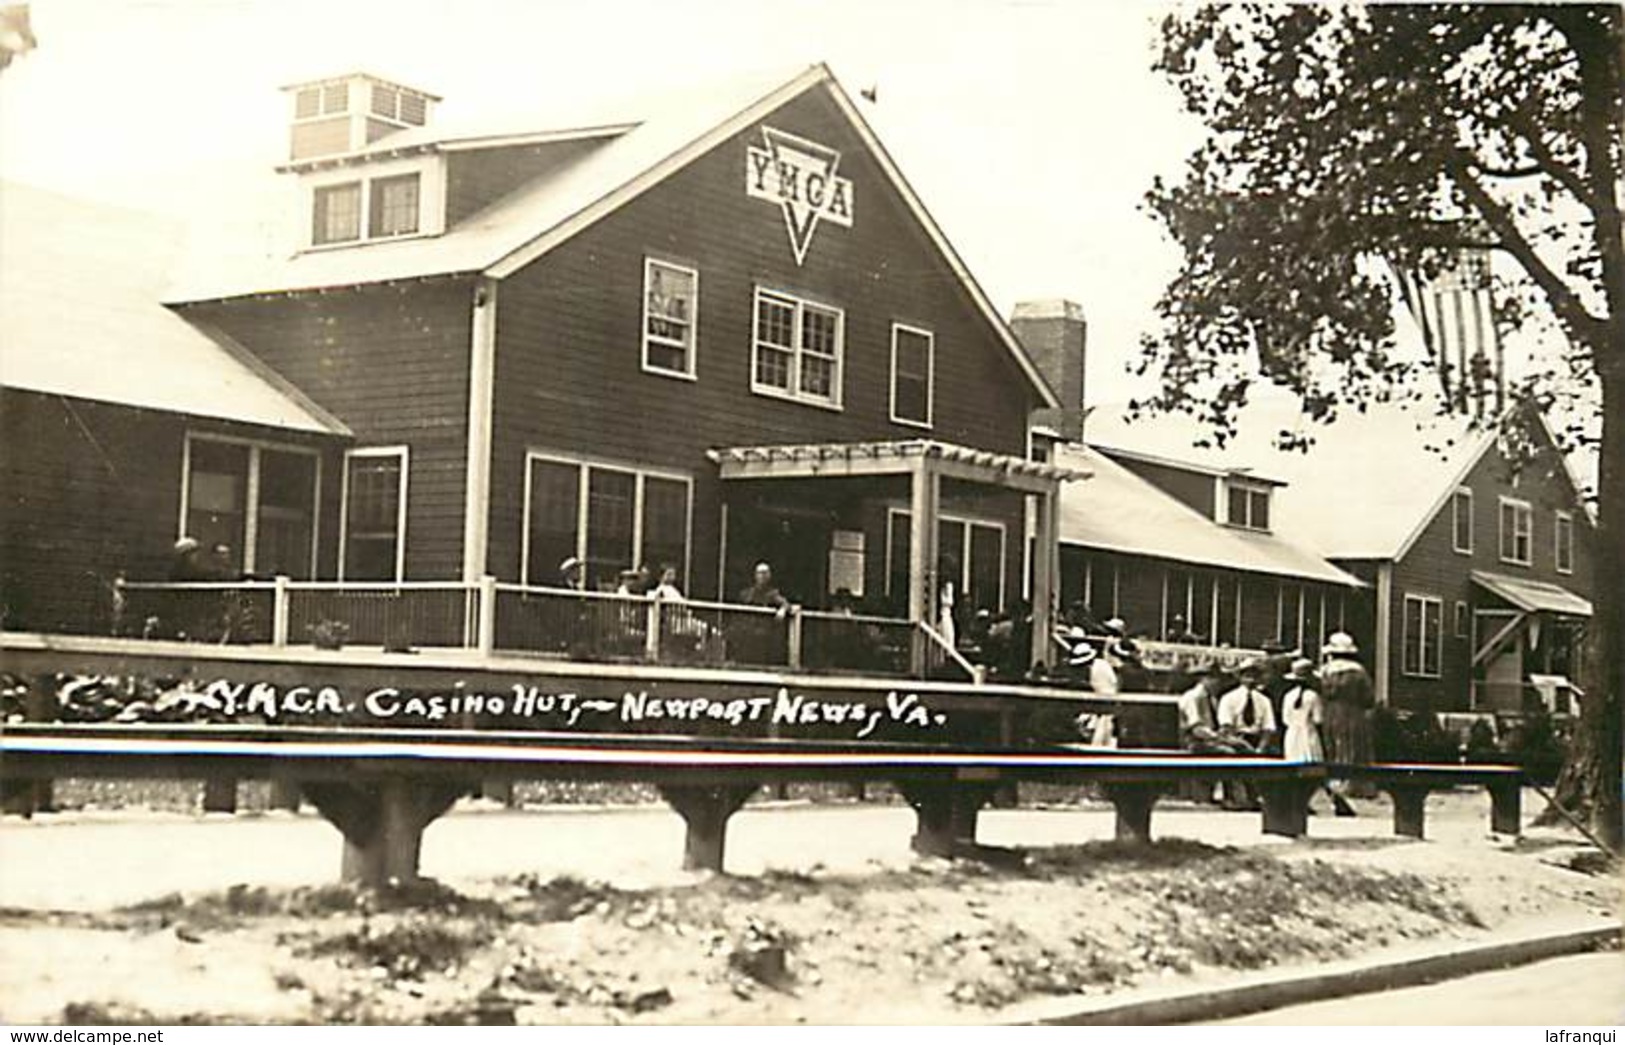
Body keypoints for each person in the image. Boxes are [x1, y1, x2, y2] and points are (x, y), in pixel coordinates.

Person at [1281, 657, 1355, 818]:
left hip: (1292, 735)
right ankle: (1333, 801)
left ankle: (1300, 802)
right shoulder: (1313, 697)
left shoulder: (1288, 696)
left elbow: (1285, 719)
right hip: (1308, 734)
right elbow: (1318, 719)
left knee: (1295, 768)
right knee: (1316, 768)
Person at [1320, 631, 1376, 803]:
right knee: (1355, 744)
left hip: (1331, 711)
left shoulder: (1325, 671)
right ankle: (1357, 784)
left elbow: (1322, 691)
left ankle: (1336, 782)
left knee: (1333, 743)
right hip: (1354, 712)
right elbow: (1368, 698)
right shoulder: (1359, 672)